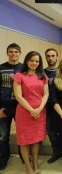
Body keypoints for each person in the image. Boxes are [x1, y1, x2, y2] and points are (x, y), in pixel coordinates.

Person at [13, 51, 49, 174]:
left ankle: (35, 162)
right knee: (24, 140)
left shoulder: (42, 76)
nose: (34, 63)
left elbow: (46, 94)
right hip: (24, 113)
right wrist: (31, 110)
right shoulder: (19, 76)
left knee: (36, 139)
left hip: (40, 112)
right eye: (32, 60)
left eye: (37, 61)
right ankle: (28, 166)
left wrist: (39, 109)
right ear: (27, 61)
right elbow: (18, 96)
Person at [0, 43, 22, 172]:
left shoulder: (24, 68)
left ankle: (23, 157)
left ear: (20, 53)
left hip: (20, 106)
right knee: (3, 136)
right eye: (11, 51)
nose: (13, 54)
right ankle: (4, 159)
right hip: (4, 106)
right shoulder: (1, 68)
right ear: (7, 53)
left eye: (16, 52)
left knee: (21, 134)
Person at [44, 48, 61, 164]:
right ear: (45, 57)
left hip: (60, 106)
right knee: (50, 131)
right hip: (46, 106)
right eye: (48, 56)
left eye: (53, 56)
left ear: (57, 57)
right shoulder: (41, 72)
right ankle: (56, 152)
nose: (51, 58)